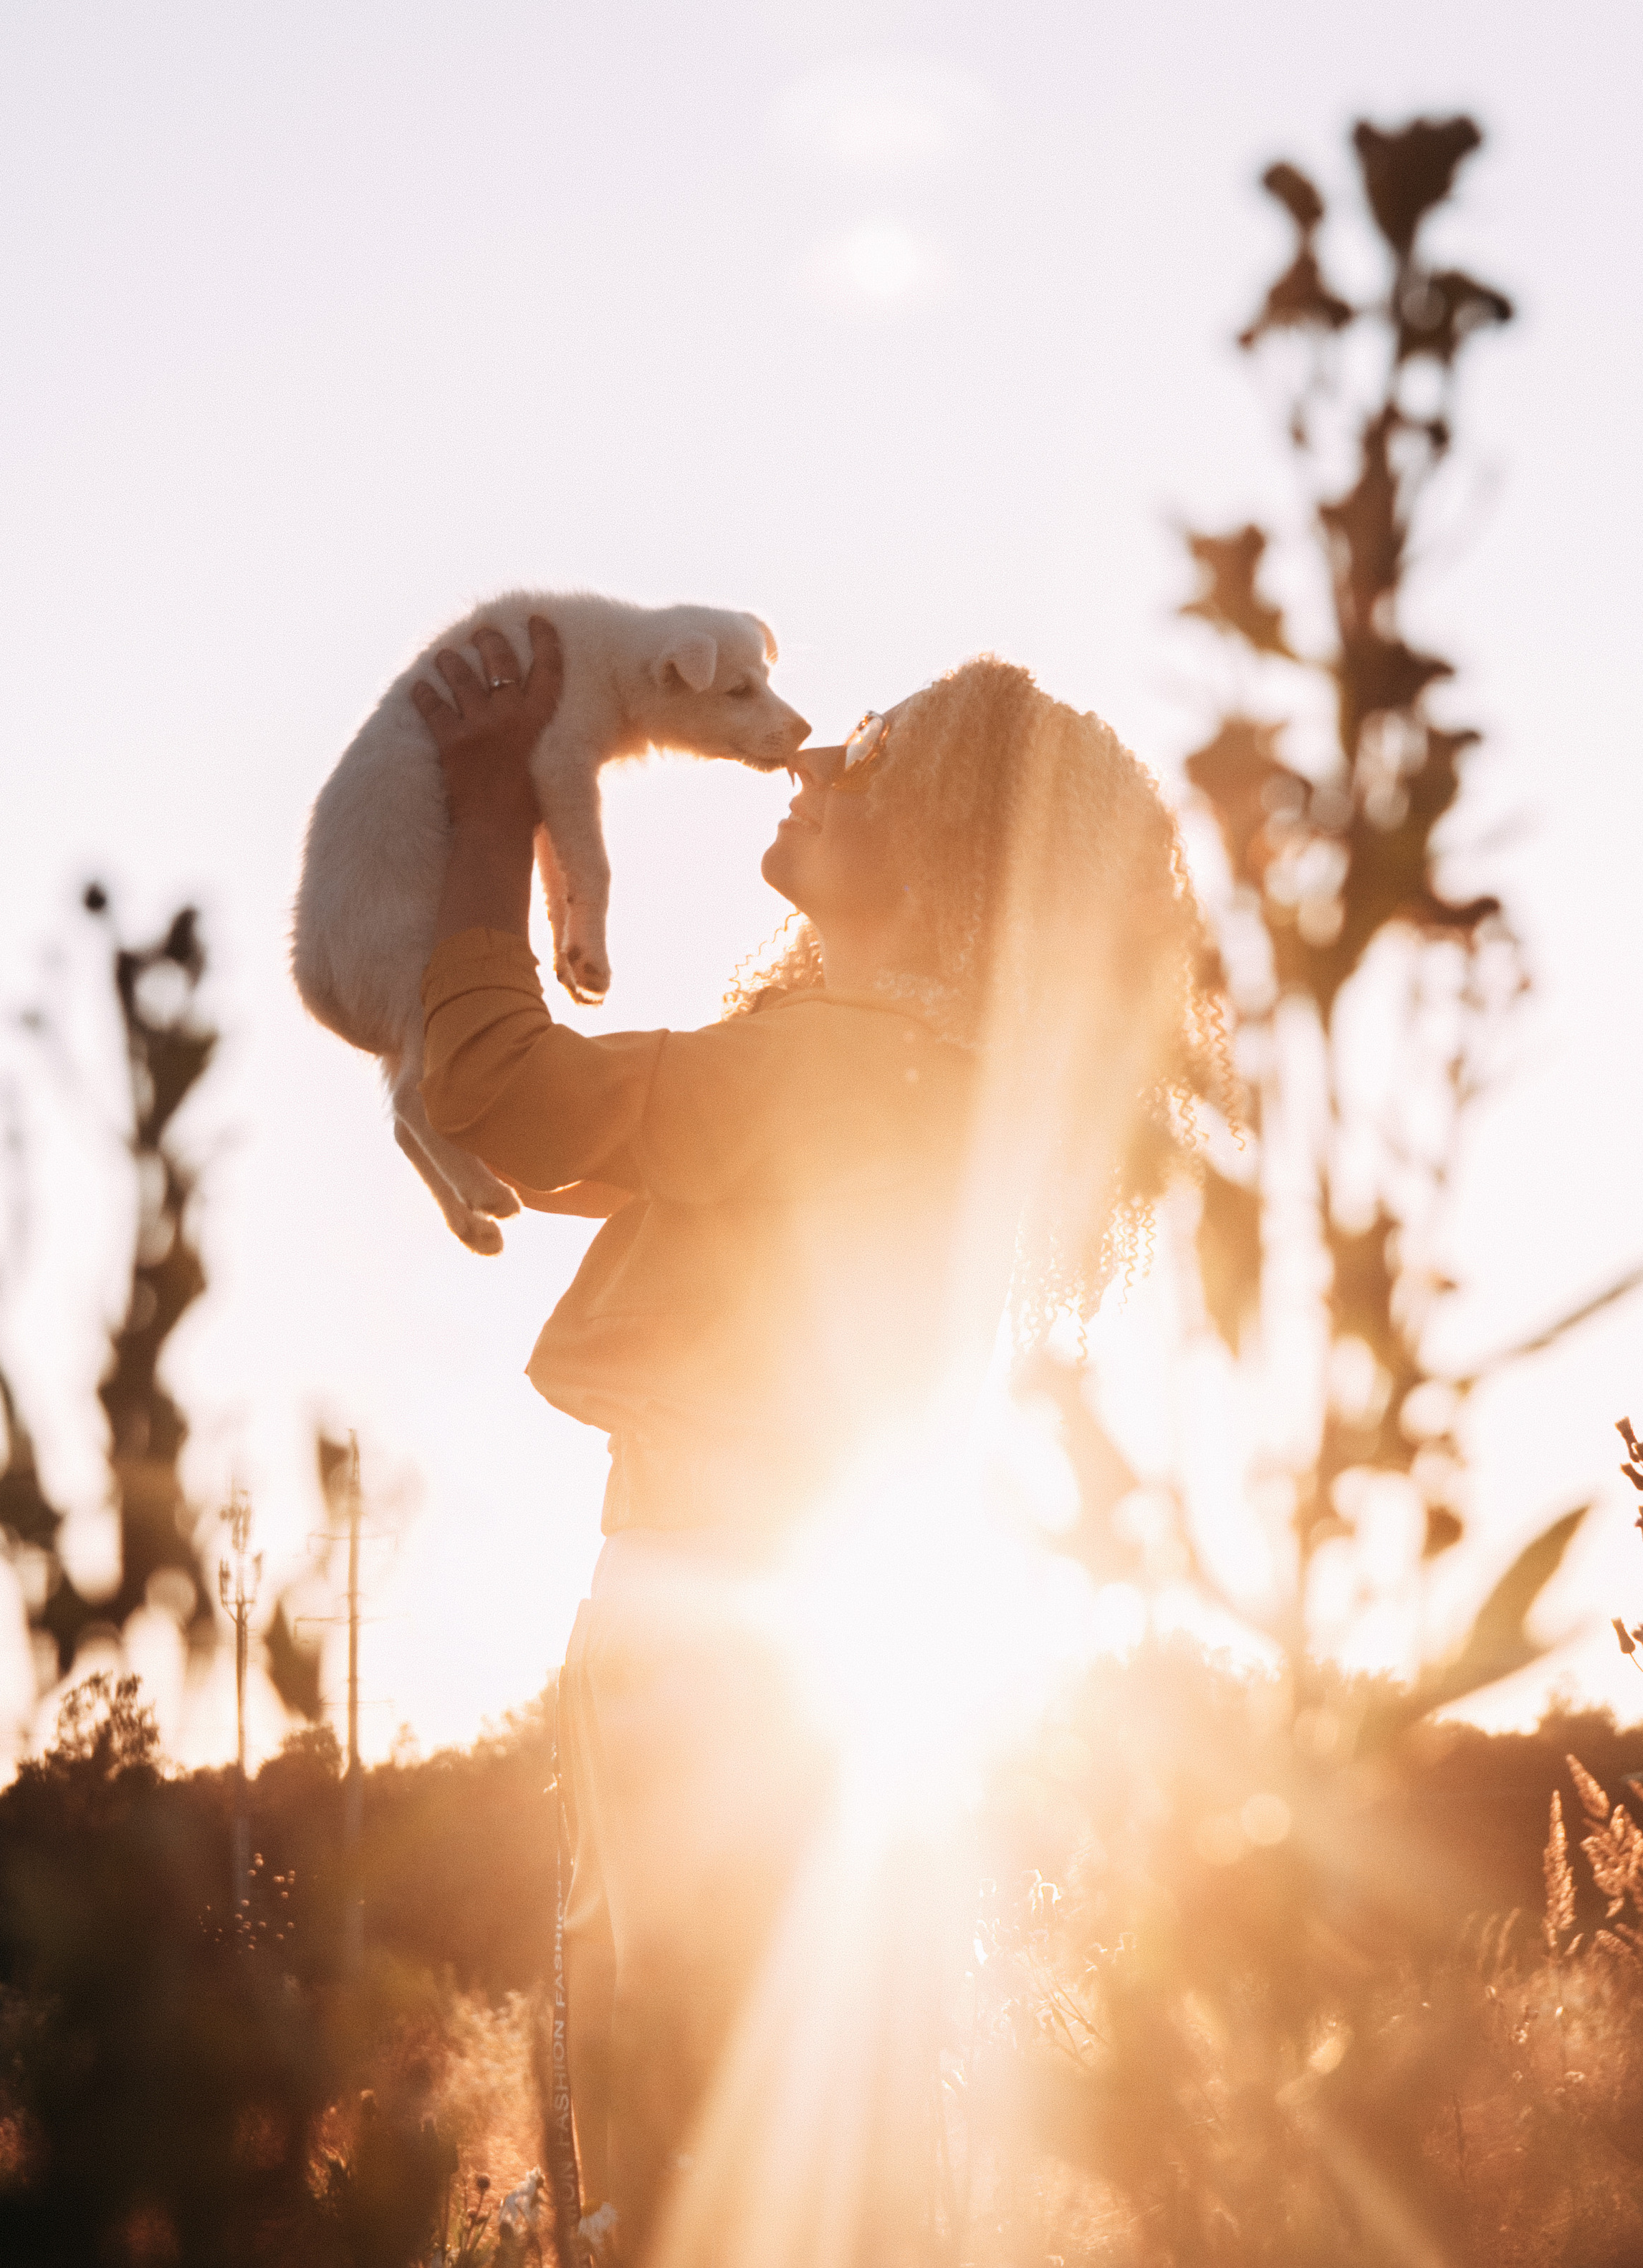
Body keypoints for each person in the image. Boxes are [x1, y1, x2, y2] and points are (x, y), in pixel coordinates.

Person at [410, 618, 1216, 2262]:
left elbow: (501, 1096)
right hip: (747, 1656)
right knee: (756, 2162)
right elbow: (509, 1116)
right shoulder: (907, 1083)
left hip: (711, 1661)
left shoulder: (841, 1080)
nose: (817, 754)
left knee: (679, 2172)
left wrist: (495, 810)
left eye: (879, 756)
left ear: (952, 857)